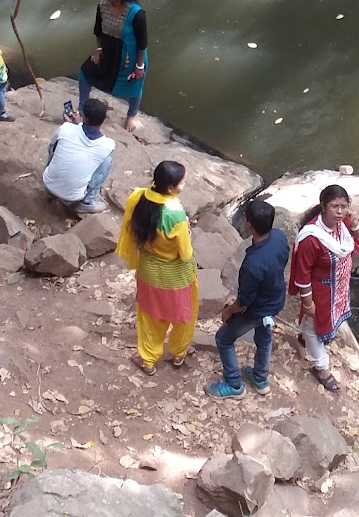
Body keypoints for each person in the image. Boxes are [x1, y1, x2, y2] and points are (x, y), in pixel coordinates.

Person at [116, 159, 197, 375]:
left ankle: (149, 361)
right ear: (170, 187)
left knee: (150, 319)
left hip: (148, 273)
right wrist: (187, 231)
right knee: (182, 316)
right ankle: (179, 354)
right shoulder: (175, 214)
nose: (184, 186)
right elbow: (186, 253)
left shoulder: (139, 197)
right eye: (182, 183)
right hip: (176, 278)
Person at [207, 198, 290, 401]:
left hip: (256, 309)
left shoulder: (252, 264)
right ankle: (260, 378)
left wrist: (228, 311)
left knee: (223, 339)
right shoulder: (279, 238)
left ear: (249, 224)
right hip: (276, 300)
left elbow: (244, 302)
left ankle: (234, 384)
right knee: (264, 337)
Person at [289, 183, 359, 394]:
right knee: (315, 325)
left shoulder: (344, 224)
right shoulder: (311, 238)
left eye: (344, 206)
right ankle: (321, 369)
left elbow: (358, 237)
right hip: (320, 292)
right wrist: (308, 302)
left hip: (338, 287)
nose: (340, 211)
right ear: (323, 206)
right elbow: (303, 274)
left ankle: (304, 337)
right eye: (334, 206)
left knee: (321, 324)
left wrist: (355, 222)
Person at [77, 0, 147, 133]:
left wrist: (139, 65)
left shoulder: (136, 13)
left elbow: (142, 43)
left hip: (128, 56)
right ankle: (82, 108)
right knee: (85, 73)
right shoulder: (102, 6)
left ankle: (131, 115)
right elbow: (98, 30)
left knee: (135, 86)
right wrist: (99, 49)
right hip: (108, 51)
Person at [43, 95, 115, 214]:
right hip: (74, 196)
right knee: (107, 161)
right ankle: (86, 202)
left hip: (49, 182)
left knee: (56, 145)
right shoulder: (108, 144)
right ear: (103, 120)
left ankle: (50, 190)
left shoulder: (65, 128)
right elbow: (91, 138)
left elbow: (50, 148)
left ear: (83, 117)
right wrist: (78, 125)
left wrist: (75, 126)